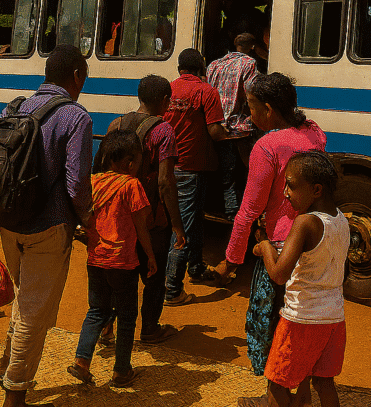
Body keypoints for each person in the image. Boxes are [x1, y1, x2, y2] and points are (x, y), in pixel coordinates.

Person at [0, 43, 92, 407]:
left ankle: (4, 364)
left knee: (24, 296)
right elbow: (77, 182)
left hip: (9, 222)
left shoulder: (14, 107)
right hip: (49, 226)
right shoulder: (75, 116)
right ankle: (13, 406)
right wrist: (90, 223)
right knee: (34, 313)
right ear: (77, 76)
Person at [211, 72, 328, 407]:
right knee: (300, 320)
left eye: (251, 107)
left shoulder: (267, 147)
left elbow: (249, 209)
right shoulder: (314, 132)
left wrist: (231, 259)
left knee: (271, 324)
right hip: (314, 239)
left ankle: (273, 399)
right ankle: (303, 397)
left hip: (279, 244)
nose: (249, 116)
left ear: (268, 108)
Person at [255, 151, 347, 407]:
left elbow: (279, 274)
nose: (285, 192)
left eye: (291, 185)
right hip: (334, 317)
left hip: (301, 319)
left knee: (278, 385)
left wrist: (265, 247)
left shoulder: (305, 223)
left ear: (316, 190)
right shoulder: (341, 219)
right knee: (325, 383)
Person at [101, 75, 186, 344]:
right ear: (164, 101)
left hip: (119, 214)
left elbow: (103, 168)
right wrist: (177, 223)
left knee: (119, 273)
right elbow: (165, 181)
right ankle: (149, 327)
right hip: (150, 217)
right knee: (154, 273)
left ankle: (106, 325)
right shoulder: (164, 131)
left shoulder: (117, 124)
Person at [68, 130, 157, 388]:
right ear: (130, 162)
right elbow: (142, 227)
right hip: (123, 261)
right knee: (128, 315)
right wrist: (150, 256)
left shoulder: (92, 182)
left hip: (96, 259)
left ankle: (81, 362)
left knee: (96, 310)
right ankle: (121, 371)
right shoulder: (131, 185)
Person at [163, 49, 228, 306]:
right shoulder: (207, 92)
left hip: (170, 165)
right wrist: (232, 135)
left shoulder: (168, 90)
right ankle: (172, 289)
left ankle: (196, 267)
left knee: (193, 220)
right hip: (193, 167)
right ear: (202, 67)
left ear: (179, 67)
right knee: (185, 227)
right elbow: (214, 131)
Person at [206, 32, 259, 218]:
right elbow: (250, 92)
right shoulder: (249, 64)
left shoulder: (214, 64)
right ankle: (240, 210)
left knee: (226, 172)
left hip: (217, 126)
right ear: (252, 47)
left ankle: (229, 209)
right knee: (247, 170)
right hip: (240, 127)